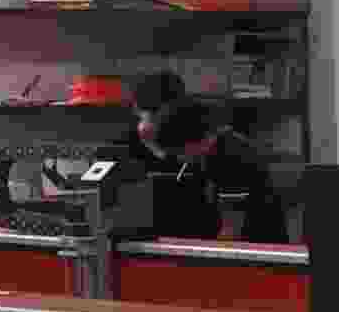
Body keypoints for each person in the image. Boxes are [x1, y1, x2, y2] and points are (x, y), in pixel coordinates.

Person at [114, 98, 290, 242]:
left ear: (188, 143)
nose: (180, 159)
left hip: (260, 253)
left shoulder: (231, 157)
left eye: (178, 152)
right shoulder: (217, 149)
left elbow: (232, 230)